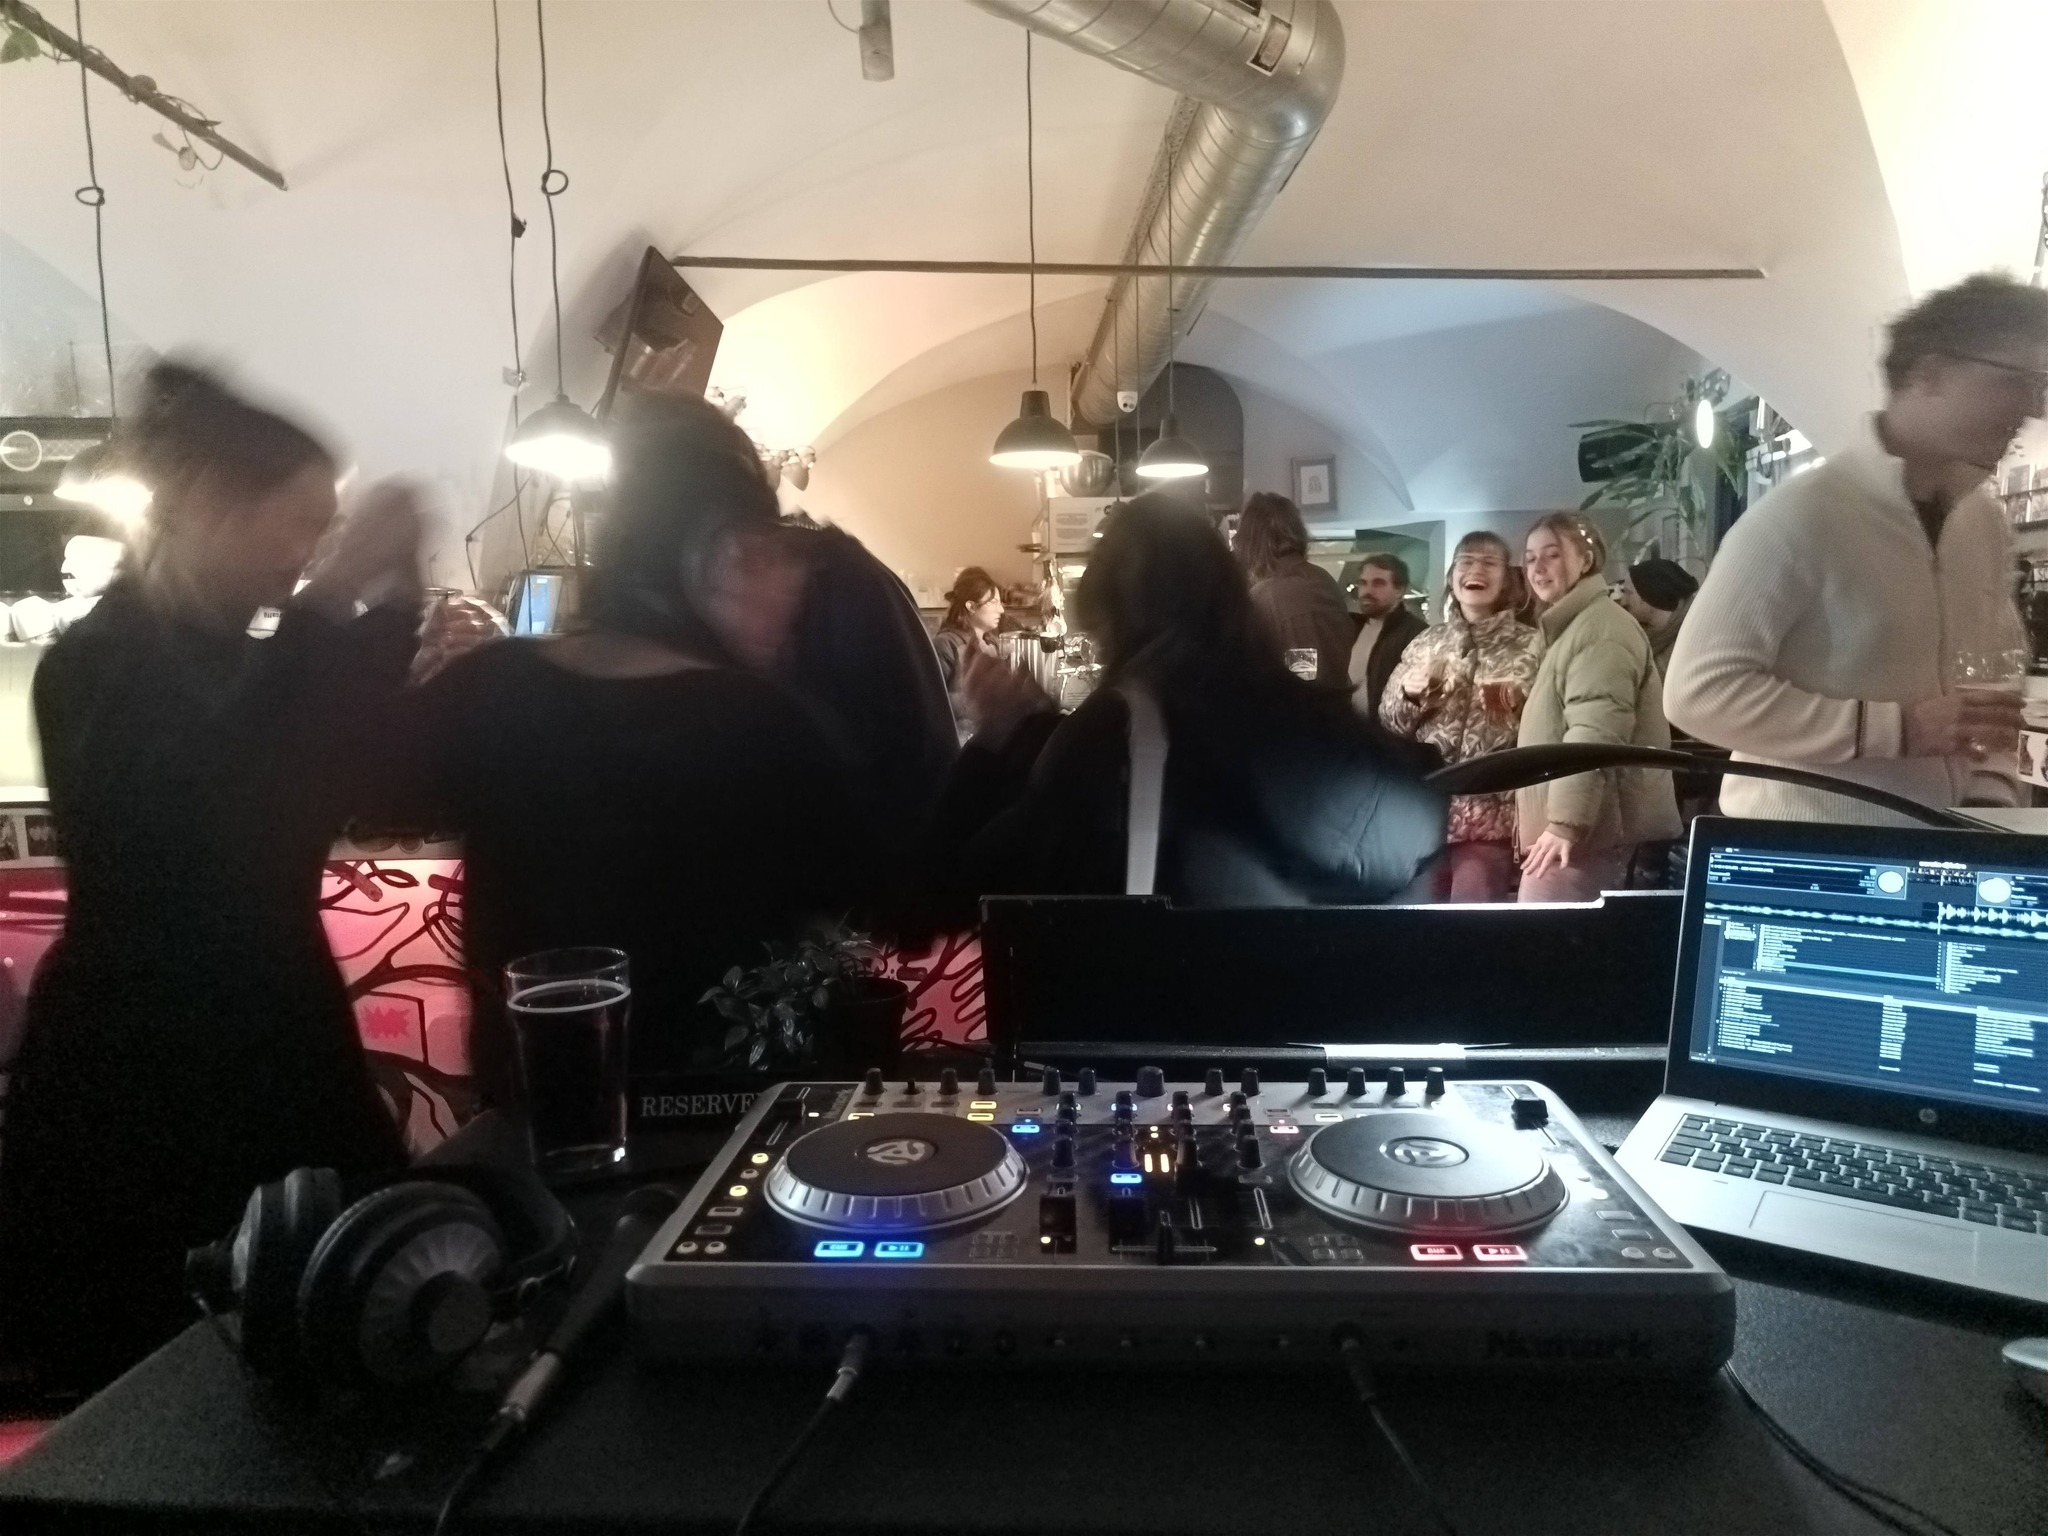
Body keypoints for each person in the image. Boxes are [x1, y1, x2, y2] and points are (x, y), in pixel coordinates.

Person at [0, 362, 424, 1393]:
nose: (306, 554)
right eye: (299, 523)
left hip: (273, 1038)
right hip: (141, 1078)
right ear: (203, 504)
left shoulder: (229, 659)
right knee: (154, 1393)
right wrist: (338, 598)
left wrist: (398, 604)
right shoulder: (98, 662)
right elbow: (208, 824)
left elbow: (319, 779)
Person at [380, 394, 872, 1100]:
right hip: (730, 1120)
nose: (789, 591)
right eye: (765, 555)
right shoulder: (767, 724)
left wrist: (387, 608)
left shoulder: (490, 685)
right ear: (713, 555)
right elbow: (893, 901)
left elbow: (339, 795)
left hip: (538, 1116)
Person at [929, 492, 1444, 908]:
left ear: (1113, 614)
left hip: (1159, 1002)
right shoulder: (1305, 717)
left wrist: (998, 739)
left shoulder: (1114, 732)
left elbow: (940, 892)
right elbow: (1412, 820)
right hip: (1287, 1002)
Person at [1666, 274, 2048, 822]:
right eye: (2015, 381)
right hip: (1805, 850)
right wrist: (1901, 729)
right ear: (1930, 374)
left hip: (1945, 843)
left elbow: (1996, 688)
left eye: (2040, 384)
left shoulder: (1983, 522)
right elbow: (1697, 693)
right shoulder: (1800, 516)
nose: (2034, 408)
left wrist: (1989, 799)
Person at [1515, 512, 1681, 902]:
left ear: (1585, 560)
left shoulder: (1601, 630)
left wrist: (1565, 824)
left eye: (1552, 554)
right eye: (1530, 558)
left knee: (1545, 935)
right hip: (1587, 832)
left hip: (1590, 836)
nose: (1538, 568)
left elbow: (1596, 731)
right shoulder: (1576, 626)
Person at [1380, 532, 1541, 901]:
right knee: (1418, 918)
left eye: (1489, 563)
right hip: (1424, 813)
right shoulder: (1427, 642)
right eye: (1466, 561)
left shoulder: (1532, 644)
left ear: (1507, 578)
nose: (1475, 570)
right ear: (1452, 575)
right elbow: (1390, 721)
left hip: (1490, 817)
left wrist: (1518, 704)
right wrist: (1410, 695)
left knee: (1472, 920)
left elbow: (1547, 726)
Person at [1233, 491, 1355, 693]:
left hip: (1301, 708)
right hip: (1334, 705)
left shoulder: (1272, 595)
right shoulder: (1322, 579)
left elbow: (1305, 676)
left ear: (1250, 540)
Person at [1348, 552, 1427, 718]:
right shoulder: (1351, 628)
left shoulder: (1417, 634)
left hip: (1389, 731)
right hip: (1348, 730)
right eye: (1363, 583)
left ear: (1399, 590)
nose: (1367, 591)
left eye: (1378, 583)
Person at [931, 566, 1004, 727]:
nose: (1001, 610)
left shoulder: (992, 644)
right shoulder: (945, 645)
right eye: (994, 602)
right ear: (971, 606)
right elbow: (930, 701)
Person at [1615, 557, 1698, 677]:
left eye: (1628, 593)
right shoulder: (1647, 635)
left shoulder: (1690, 647)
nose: (1623, 602)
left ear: (1648, 594)